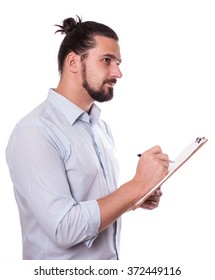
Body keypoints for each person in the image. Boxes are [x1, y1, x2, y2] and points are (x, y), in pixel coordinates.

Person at [6, 16, 169, 260]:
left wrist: (139, 193)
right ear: (73, 62)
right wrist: (135, 186)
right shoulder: (34, 133)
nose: (118, 72)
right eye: (107, 61)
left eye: (118, 62)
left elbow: (92, 204)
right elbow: (65, 227)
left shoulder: (100, 127)